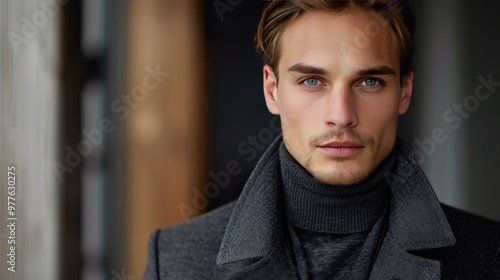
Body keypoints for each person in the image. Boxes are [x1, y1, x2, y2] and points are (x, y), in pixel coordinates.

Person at [144, 0, 500, 279]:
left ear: (404, 91)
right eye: (312, 81)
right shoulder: (176, 259)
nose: (341, 114)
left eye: (369, 82)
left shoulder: (489, 253)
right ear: (272, 90)